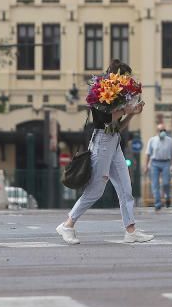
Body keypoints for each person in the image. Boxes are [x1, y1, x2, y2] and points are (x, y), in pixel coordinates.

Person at [56, 60, 154, 245]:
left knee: (126, 188)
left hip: (113, 141)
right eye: (125, 76)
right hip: (101, 141)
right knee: (96, 189)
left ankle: (130, 231)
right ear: (115, 75)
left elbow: (118, 126)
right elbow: (104, 119)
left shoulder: (117, 96)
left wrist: (132, 113)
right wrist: (127, 109)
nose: (127, 80)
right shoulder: (100, 94)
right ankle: (68, 225)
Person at [145, 123, 172, 211]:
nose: (162, 132)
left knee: (166, 183)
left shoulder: (170, 141)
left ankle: (167, 196)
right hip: (154, 163)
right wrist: (146, 166)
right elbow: (148, 154)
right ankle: (157, 203)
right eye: (160, 130)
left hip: (166, 163)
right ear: (157, 131)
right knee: (155, 184)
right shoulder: (152, 140)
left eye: (164, 130)